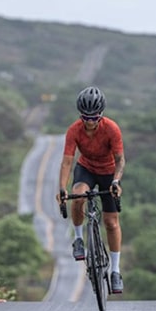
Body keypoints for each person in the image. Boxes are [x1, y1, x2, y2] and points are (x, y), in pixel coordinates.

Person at [56, 86, 127, 294]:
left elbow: (120, 160)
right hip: (86, 168)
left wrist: (116, 182)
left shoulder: (112, 129)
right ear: (80, 115)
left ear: (101, 115)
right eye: (85, 117)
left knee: (111, 222)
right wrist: (62, 188)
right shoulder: (74, 131)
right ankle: (78, 239)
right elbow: (67, 162)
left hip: (108, 172)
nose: (90, 122)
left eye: (94, 117)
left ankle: (115, 271)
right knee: (78, 197)